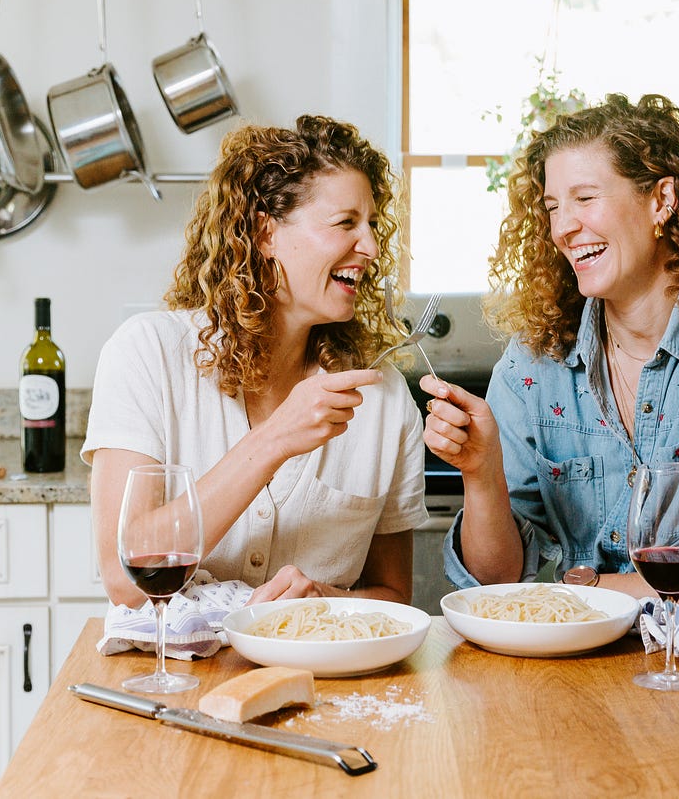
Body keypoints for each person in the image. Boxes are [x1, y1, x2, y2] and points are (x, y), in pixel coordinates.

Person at [420, 94, 679, 634]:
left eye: (585, 198)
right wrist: (481, 475)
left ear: (661, 198)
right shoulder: (534, 364)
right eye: (552, 207)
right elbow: (495, 578)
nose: (563, 228)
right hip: (584, 675)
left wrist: (589, 591)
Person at [84, 115, 426, 609]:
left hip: (317, 676)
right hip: (174, 677)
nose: (371, 247)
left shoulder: (384, 397)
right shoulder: (147, 355)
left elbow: (393, 595)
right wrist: (274, 439)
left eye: (372, 225)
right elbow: (125, 576)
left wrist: (323, 598)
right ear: (265, 233)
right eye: (346, 223)